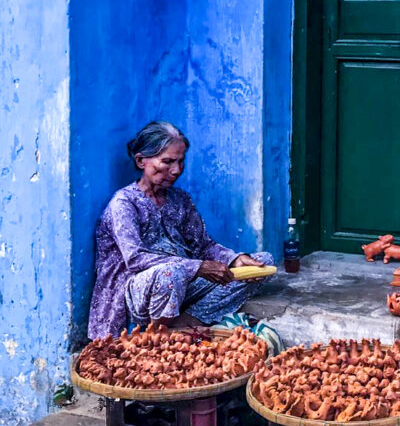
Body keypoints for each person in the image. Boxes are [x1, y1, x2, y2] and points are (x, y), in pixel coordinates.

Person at [88, 121, 274, 338]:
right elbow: (135, 259)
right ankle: (156, 334)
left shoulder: (180, 200)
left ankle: (187, 321)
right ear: (141, 161)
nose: (176, 170)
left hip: (182, 282)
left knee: (263, 262)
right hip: (138, 291)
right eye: (167, 162)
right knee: (170, 273)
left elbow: (203, 245)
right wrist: (198, 267)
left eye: (180, 161)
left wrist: (235, 259)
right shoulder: (124, 203)